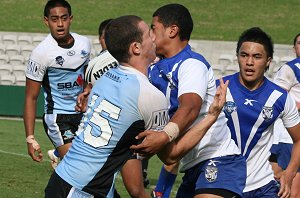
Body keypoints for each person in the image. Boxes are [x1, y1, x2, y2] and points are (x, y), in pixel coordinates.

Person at [44, 14, 230, 198]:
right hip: (84, 190)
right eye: (149, 34)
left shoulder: (104, 79)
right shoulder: (150, 96)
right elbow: (171, 155)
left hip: (68, 179)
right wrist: (211, 117)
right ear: (136, 47)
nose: (154, 38)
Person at [130, 4, 246, 198]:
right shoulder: (153, 68)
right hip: (191, 166)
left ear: (172, 30)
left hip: (219, 159)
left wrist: (163, 136)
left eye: (154, 28)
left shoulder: (191, 64)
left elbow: (190, 107)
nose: (150, 34)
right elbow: (170, 155)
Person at [216, 27, 300, 197]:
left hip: (263, 186)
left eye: (257, 57)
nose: (249, 62)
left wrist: (289, 173)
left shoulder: (279, 97)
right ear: (237, 56)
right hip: (223, 182)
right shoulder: (219, 88)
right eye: (244, 55)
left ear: (268, 61)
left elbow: (299, 139)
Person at [82, 18, 147, 198]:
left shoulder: (130, 60)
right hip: (106, 137)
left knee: (135, 189)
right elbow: (88, 93)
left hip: (126, 133)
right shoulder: (95, 65)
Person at [23, 0, 91, 168]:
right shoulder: (41, 53)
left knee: (94, 164)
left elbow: (88, 78)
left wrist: (87, 94)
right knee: (79, 166)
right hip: (58, 117)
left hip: (83, 114)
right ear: (46, 21)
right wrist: (30, 138)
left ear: (71, 19)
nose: (60, 24)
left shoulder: (85, 43)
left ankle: (56, 156)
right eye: (54, 19)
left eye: (64, 18)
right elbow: (31, 98)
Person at [269, 32, 300, 198]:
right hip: (289, 137)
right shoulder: (290, 68)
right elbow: (278, 100)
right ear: (294, 48)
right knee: (289, 190)